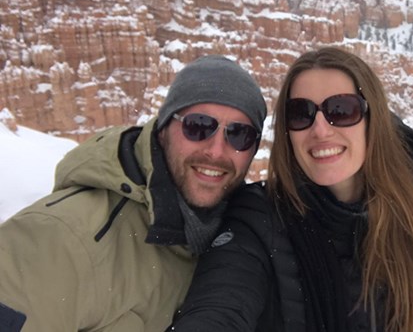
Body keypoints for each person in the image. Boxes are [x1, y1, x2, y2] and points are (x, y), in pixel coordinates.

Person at [168, 46, 413, 332]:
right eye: (301, 113)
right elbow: (220, 307)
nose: (320, 129)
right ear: (287, 131)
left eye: (342, 109)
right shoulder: (258, 219)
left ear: (372, 119)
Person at [0, 55, 267, 332]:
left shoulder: (247, 238)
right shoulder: (62, 238)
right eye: (198, 126)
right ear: (163, 127)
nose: (215, 151)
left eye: (239, 134)